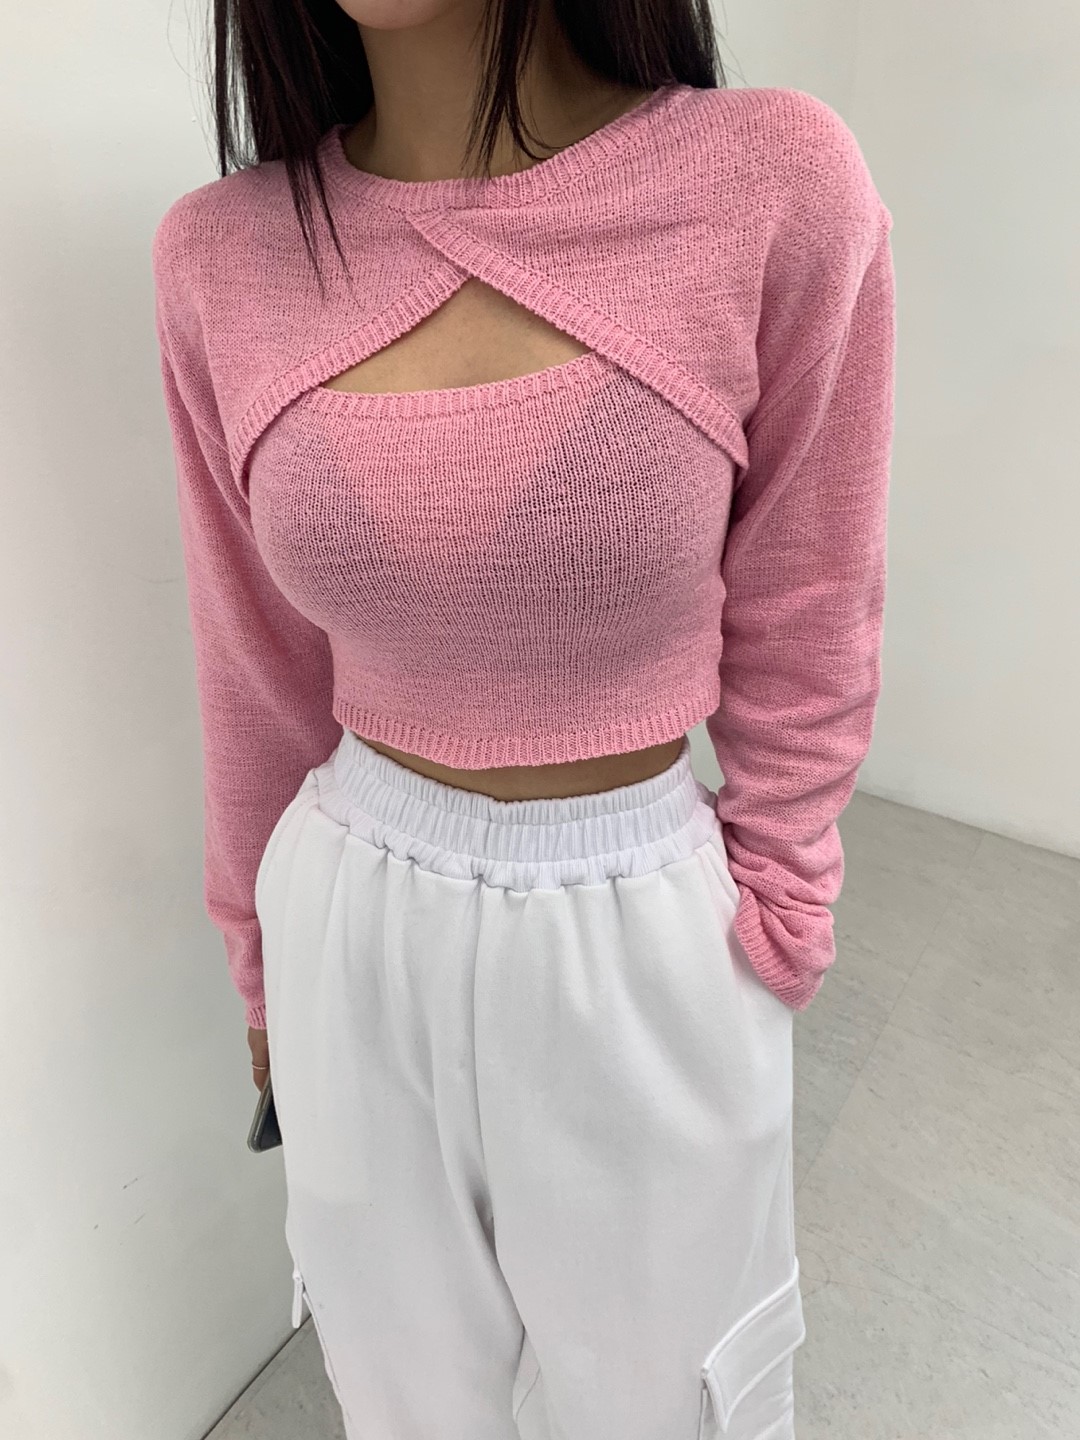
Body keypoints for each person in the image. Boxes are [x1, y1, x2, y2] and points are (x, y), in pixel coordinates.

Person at [151, 0, 895, 1434]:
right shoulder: (219, 254)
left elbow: (810, 596)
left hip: (644, 924)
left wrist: (783, 901)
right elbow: (250, 666)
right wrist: (261, 960)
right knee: (400, 1400)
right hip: (346, 919)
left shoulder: (773, 181)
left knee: (671, 1403)